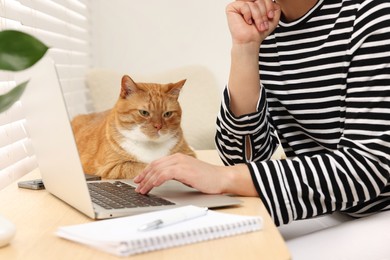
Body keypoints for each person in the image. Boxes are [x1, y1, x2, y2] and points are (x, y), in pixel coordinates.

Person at [134, 0, 390, 227]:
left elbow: (368, 168)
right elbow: (242, 159)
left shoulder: (371, 15)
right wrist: (245, 48)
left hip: (379, 212)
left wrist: (224, 177)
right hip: (327, 207)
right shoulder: (268, 26)